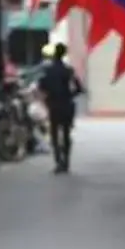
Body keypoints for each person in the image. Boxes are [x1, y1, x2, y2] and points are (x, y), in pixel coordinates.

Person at [30, 41, 85, 172]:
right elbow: (79, 88)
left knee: (54, 133)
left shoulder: (48, 71)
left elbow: (41, 87)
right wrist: (70, 94)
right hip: (67, 104)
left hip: (53, 104)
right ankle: (66, 162)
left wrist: (46, 97)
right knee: (66, 133)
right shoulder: (68, 70)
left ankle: (58, 162)